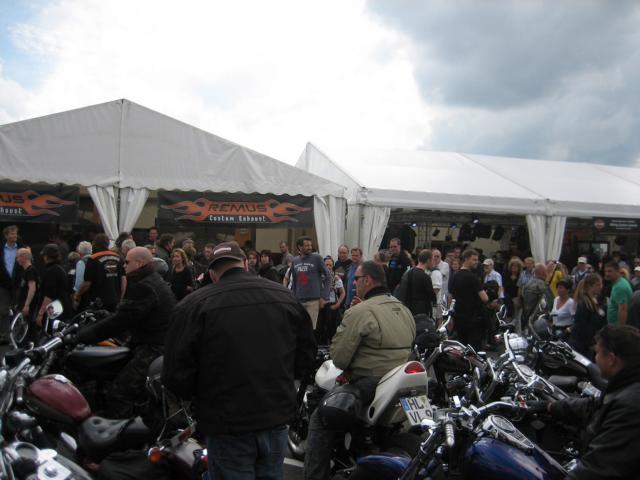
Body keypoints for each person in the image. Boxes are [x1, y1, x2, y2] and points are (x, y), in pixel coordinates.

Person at [162, 242, 316, 479]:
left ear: (213, 274)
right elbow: (306, 358)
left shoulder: (193, 305)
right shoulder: (285, 297)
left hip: (228, 421)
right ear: (245, 264)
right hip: (274, 415)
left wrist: (202, 398)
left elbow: (176, 375)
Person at [304, 261, 415, 480]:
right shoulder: (403, 309)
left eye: (356, 279)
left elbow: (339, 357)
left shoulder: (360, 311)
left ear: (368, 280)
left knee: (320, 419)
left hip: (369, 382)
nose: (354, 283)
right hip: (398, 381)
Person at [74, 247, 176, 418]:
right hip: (156, 343)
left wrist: (81, 337)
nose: (123, 265)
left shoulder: (144, 286)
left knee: (120, 392)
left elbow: (120, 321)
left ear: (139, 263)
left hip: (153, 348)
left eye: (127, 262)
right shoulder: (151, 280)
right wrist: (106, 315)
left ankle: (118, 428)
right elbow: (129, 313)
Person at [547, 325, 640, 479]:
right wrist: (551, 406)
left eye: (597, 353)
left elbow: (598, 468)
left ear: (611, 359)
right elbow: (595, 406)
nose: (595, 358)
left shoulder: (630, 406)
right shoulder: (625, 385)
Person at [449, 249, 491, 351]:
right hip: (473, 318)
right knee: (474, 349)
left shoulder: (455, 276)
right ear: (466, 259)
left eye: (477, 260)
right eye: (474, 259)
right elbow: (485, 298)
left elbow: (451, 296)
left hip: (459, 316)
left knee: (462, 347)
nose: (477, 262)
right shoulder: (472, 277)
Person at [75, 234, 125, 312]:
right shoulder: (118, 258)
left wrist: (78, 294)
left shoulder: (93, 259)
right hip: (115, 299)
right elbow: (123, 280)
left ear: (95, 244)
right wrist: (121, 297)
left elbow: (87, 283)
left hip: (98, 301)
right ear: (108, 244)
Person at [290, 236, 331, 329]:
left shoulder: (317, 258)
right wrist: (293, 297)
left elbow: (328, 277)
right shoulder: (295, 261)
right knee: (299, 328)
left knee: (310, 328)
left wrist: (324, 297)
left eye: (310, 245)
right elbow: (295, 281)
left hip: (313, 301)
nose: (309, 247)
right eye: (307, 245)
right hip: (299, 301)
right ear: (299, 247)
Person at [35, 244, 73, 325]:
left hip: (54, 312)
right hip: (64, 308)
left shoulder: (51, 272)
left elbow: (49, 296)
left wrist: (40, 314)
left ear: (46, 257)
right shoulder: (62, 269)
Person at [569, 273, 606, 359]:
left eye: (601, 284)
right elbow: (581, 326)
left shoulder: (596, 301)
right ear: (590, 286)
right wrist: (590, 343)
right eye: (598, 285)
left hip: (593, 343)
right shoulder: (584, 304)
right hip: (584, 346)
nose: (601, 287)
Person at [396, 249, 437, 317]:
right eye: (432, 260)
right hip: (420, 312)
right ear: (428, 260)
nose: (433, 262)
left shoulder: (407, 273)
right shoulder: (425, 277)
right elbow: (432, 296)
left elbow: (401, 291)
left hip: (407, 310)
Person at [316, 256, 345, 344]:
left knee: (331, 329)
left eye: (330, 265)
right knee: (319, 328)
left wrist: (338, 304)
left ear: (333, 266)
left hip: (332, 305)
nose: (328, 267)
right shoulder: (317, 277)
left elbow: (342, 292)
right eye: (326, 265)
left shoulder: (336, 278)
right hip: (320, 305)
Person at [0, 225, 23, 335]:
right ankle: (4, 334)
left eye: (15, 233)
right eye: (12, 233)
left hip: (18, 283)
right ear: (6, 236)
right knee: (3, 310)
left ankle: (17, 334)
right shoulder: (1, 249)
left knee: (18, 309)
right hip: (3, 284)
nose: (15, 236)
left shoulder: (22, 248)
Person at [522, 263, 554, 327]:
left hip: (528, 316)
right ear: (543, 272)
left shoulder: (528, 283)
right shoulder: (542, 285)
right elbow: (550, 302)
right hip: (538, 318)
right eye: (546, 271)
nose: (547, 274)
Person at [15, 248, 38, 334]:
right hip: (23, 304)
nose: (17, 260)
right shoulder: (25, 271)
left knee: (28, 329)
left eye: (18, 257)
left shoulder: (31, 271)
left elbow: (32, 288)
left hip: (29, 306)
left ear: (23, 257)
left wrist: (27, 305)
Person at [605, 261, 632, 326]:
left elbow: (623, 309)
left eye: (610, 271)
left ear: (617, 271)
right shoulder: (618, 283)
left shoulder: (620, 287)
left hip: (616, 327)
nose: (607, 274)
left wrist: (620, 329)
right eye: (606, 271)